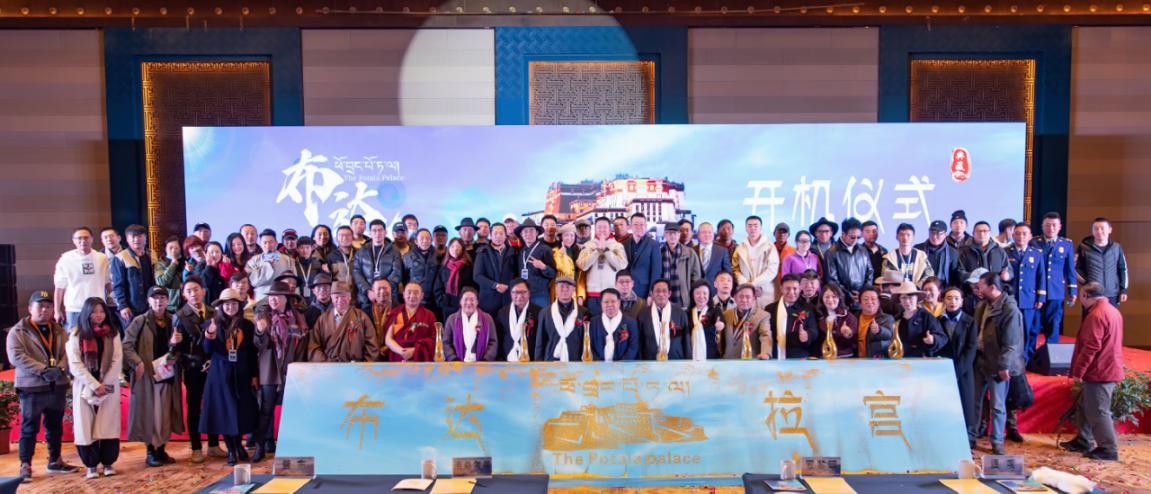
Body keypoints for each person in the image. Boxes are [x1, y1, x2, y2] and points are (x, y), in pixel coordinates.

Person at [8, 290, 78, 481]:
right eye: (40, 306)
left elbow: (68, 351)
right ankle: (25, 464)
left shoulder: (59, 329)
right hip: (32, 386)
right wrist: (43, 370)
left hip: (57, 384)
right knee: (29, 426)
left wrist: (61, 368)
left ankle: (55, 460)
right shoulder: (18, 331)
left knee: (55, 425)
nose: (45, 310)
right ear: (30, 308)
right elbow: (16, 356)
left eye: (48, 306)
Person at [1060, 282, 1124, 461]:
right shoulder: (1112, 311)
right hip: (1105, 367)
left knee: (1098, 410)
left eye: (1081, 294)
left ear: (1086, 296)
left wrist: (1079, 371)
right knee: (1085, 405)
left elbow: (1091, 347)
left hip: (1100, 371)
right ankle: (1083, 440)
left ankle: (1108, 449)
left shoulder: (1096, 315)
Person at [123, 286, 185, 467]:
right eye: (155, 298)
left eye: (162, 298)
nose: (159, 302)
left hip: (167, 373)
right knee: (150, 413)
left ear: (168, 300)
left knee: (165, 413)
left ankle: (161, 449)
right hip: (148, 375)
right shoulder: (140, 321)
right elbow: (126, 345)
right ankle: (151, 451)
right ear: (149, 301)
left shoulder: (174, 320)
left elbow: (180, 347)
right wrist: (138, 362)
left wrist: (175, 346)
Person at [201, 288, 258, 466]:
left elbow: (252, 352)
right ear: (221, 306)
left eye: (234, 304)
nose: (230, 307)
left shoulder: (247, 325)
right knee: (224, 413)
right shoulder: (213, 324)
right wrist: (209, 335)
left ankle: (239, 444)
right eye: (227, 304)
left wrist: (254, 374)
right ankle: (231, 449)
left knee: (240, 411)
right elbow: (207, 350)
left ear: (239, 306)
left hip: (241, 372)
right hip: (220, 374)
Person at [66, 297, 123, 479]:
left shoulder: (112, 333)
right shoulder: (76, 333)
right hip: (85, 385)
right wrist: (94, 385)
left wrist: (105, 383)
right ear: (86, 313)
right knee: (86, 425)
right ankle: (91, 465)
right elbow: (75, 364)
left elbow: (117, 360)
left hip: (108, 384)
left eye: (101, 311)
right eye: (94, 312)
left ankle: (108, 462)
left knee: (108, 424)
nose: (98, 315)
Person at [252, 282, 308, 461]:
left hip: (291, 371)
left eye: (277, 296)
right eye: (271, 296)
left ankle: (289, 445)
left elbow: (302, 345)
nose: (273, 299)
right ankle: (260, 446)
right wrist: (260, 332)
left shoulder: (297, 318)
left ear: (286, 298)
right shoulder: (263, 316)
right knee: (265, 410)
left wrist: (299, 368)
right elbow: (258, 345)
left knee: (291, 409)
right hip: (269, 370)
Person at [971, 272, 1024, 455]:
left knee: (997, 405)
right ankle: (971, 437)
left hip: (997, 364)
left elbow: (1011, 344)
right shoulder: (981, 306)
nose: (978, 289)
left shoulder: (1009, 309)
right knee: (975, 402)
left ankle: (997, 441)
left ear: (992, 288)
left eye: (981, 286)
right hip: (980, 360)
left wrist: (1004, 366)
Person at [172, 278, 223, 463]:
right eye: (189, 291)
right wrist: (173, 344)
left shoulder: (213, 312)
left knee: (213, 405)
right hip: (193, 368)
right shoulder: (180, 315)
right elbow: (177, 347)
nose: (193, 294)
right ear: (184, 295)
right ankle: (195, 447)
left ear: (203, 291)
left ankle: (214, 444)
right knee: (194, 408)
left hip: (213, 366)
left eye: (196, 289)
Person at [937, 287, 978, 445]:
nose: (952, 301)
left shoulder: (970, 322)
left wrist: (957, 371)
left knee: (966, 404)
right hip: (943, 371)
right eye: (948, 298)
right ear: (943, 300)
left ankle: (968, 439)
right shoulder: (938, 321)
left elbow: (971, 348)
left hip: (963, 370)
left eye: (956, 298)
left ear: (961, 301)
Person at [1005, 222, 1047, 363]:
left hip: (1029, 298)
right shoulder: (1006, 252)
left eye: (1024, 233)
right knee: (1011, 330)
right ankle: (1012, 359)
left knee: (1029, 329)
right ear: (1013, 235)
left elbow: (1041, 276)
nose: (1021, 236)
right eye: (1017, 233)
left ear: (1030, 236)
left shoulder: (1036, 253)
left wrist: (1041, 297)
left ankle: (1026, 358)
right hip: (1011, 298)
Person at [54, 227, 111, 329]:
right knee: (74, 337)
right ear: (73, 240)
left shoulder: (102, 258)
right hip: (75, 309)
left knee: (98, 336)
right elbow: (59, 288)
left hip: (97, 309)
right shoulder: (65, 259)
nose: (83, 241)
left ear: (92, 239)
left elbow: (108, 283)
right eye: (79, 238)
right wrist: (57, 310)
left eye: (86, 238)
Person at [307, 282, 379, 362]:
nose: (340, 300)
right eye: (336, 297)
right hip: (329, 366)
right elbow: (313, 347)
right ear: (331, 298)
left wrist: (363, 366)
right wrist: (326, 363)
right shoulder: (322, 319)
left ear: (350, 297)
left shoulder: (362, 317)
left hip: (355, 366)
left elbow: (372, 346)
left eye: (343, 296)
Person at [1034, 212, 1078, 344]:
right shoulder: (1034, 242)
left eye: (1054, 225)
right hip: (1035, 291)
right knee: (1033, 326)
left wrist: (1072, 291)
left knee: (1053, 325)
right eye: (1047, 225)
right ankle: (1029, 355)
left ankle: (1051, 353)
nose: (1051, 228)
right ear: (1042, 226)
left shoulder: (1066, 244)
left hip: (1056, 291)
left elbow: (1070, 270)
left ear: (1060, 227)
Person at [577, 217, 628, 315]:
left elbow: (622, 265)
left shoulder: (617, 246)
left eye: (605, 227)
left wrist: (606, 251)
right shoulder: (588, 245)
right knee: (594, 321)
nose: (602, 230)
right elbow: (582, 265)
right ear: (595, 229)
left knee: (611, 321)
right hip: (592, 293)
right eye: (599, 227)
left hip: (612, 292)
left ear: (610, 229)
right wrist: (597, 251)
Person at [535, 276, 591, 362]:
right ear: (556, 289)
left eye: (568, 286)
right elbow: (540, 342)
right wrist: (538, 364)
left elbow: (586, 341)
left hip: (576, 362)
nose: (565, 289)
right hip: (550, 362)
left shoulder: (584, 312)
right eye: (561, 286)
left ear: (574, 289)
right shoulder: (545, 313)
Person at [765, 274, 821, 359]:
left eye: (795, 288)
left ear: (800, 289)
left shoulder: (808, 308)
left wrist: (807, 335)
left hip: (799, 355)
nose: (791, 292)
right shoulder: (770, 309)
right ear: (781, 289)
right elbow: (766, 334)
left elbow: (814, 331)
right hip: (775, 356)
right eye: (787, 288)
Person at [1076, 217, 1128, 306]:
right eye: (1096, 229)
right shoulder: (1084, 247)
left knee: (1110, 315)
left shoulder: (1116, 248)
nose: (1099, 231)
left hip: (1112, 294)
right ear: (1092, 231)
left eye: (1102, 228)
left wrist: (1123, 290)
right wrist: (1088, 283)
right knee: (1091, 315)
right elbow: (1076, 269)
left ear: (1110, 230)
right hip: (1091, 295)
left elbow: (1123, 269)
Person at [110, 224, 155, 327]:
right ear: (127, 238)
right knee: (133, 334)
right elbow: (117, 285)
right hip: (131, 307)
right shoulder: (120, 257)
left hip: (150, 304)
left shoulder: (151, 254)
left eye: (139, 236)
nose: (136, 239)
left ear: (145, 237)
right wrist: (123, 306)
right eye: (133, 236)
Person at [382, 282, 440, 362]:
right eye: (409, 292)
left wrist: (414, 351)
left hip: (420, 359)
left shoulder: (429, 315)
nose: (412, 296)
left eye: (416, 293)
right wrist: (402, 352)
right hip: (398, 358)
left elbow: (434, 341)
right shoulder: (395, 313)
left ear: (422, 296)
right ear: (403, 294)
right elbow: (388, 339)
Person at [824, 218, 874, 309]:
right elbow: (832, 280)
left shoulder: (863, 250)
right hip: (841, 301)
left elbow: (870, 272)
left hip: (862, 300)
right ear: (843, 234)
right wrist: (848, 294)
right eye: (852, 237)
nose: (855, 240)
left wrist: (864, 292)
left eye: (858, 237)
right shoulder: (831, 252)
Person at [890, 281, 947, 358]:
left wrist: (933, 340)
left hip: (922, 360)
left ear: (916, 298)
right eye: (903, 298)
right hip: (901, 360)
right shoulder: (896, 319)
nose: (907, 301)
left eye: (910, 297)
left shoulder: (927, 317)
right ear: (899, 300)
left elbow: (942, 338)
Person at [734, 215, 781, 307]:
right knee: (747, 314)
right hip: (745, 290)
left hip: (765, 290)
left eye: (756, 226)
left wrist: (755, 284)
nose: (753, 228)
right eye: (750, 226)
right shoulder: (740, 248)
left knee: (766, 314)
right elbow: (735, 269)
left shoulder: (769, 246)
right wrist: (746, 284)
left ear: (761, 228)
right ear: (746, 228)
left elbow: (772, 269)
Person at [353, 219, 402, 308]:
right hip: (366, 298)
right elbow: (357, 273)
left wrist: (383, 291)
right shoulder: (361, 251)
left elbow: (397, 273)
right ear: (370, 233)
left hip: (389, 297)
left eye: (380, 230)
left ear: (385, 232)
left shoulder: (394, 251)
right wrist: (368, 291)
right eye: (374, 230)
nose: (377, 233)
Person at [440, 288, 498, 362]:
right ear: (460, 302)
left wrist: (486, 359)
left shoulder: (487, 319)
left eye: (472, 299)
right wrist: (453, 358)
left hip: (483, 364)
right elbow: (446, 342)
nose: (469, 302)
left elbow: (493, 342)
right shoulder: (452, 319)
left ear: (477, 302)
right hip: (457, 364)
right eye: (466, 299)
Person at [639, 279, 691, 360]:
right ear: (652, 294)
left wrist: (688, 361)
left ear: (669, 293)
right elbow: (640, 342)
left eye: (664, 291)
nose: (661, 294)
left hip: (676, 361)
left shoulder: (680, 313)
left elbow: (686, 341)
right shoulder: (643, 314)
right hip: (650, 362)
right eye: (657, 291)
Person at [474, 223, 517, 315]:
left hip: (508, 298)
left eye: (501, 233)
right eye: (495, 233)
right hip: (488, 299)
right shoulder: (483, 252)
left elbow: (517, 274)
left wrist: (510, 286)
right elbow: (477, 276)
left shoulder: (513, 252)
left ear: (505, 235)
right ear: (490, 235)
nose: (498, 236)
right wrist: (495, 285)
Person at [721, 283, 772, 359]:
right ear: (735, 298)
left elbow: (765, 335)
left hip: (750, 361)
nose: (744, 300)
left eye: (748, 297)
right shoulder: (726, 315)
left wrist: (765, 353)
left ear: (754, 298)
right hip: (727, 361)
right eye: (741, 297)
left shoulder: (762, 315)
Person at [589, 288, 640, 361]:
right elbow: (590, 347)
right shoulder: (593, 322)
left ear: (619, 302)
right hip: (598, 366)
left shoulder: (631, 323)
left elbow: (633, 348)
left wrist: (620, 365)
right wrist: (600, 364)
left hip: (624, 366)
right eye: (606, 302)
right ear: (601, 303)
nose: (610, 305)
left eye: (613, 301)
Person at [496, 279, 541, 361]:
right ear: (510, 294)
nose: (519, 296)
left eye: (523, 292)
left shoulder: (538, 312)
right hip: (506, 360)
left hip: (531, 360)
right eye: (516, 292)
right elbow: (499, 338)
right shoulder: (502, 313)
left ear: (529, 293)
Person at [515, 219, 556, 309]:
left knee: (542, 317)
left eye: (531, 230)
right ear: (521, 234)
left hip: (540, 295)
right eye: (525, 231)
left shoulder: (545, 249)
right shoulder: (521, 251)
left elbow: (553, 273)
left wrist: (543, 267)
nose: (528, 234)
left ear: (537, 233)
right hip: (524, 295)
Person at [660, 223, 703, 309]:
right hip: (663, 297)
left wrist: (692, 295)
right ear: (665, 235)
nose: (672, 236)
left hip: (683, 299)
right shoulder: (658, 252)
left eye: (675, 233)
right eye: (669, 233)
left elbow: (696, 277)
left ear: (679, 235)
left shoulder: (690, 253)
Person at [958, 221, 1011, 289]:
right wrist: (974, 280)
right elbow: (959, 272)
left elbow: (1009, 270)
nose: (982, 233)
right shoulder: (963, 251)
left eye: (985, 231)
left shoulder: (1000, 251)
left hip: (994, 290)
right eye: (978, 231)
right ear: (973, 234)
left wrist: (1007, 275)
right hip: (972, 290)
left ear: (990, 233)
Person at [246, 229, 295, 301]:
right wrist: (268, 266)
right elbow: (253, 282)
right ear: (260, 244)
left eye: (271, 242)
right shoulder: (253, 261)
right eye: (265, 242)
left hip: (282, 298)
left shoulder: (288, 260)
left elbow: (294, 282)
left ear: (276, 243)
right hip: (261, 298)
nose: (268, 245)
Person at [623, 213, 662, 299]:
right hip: (625, 291)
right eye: (635, 224)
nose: (639, 227)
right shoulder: (624, 244)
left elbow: (656, 272)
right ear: (630, 226)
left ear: (646, 226)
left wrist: (651, 294)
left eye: (642, 224)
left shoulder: (654, 245)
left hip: (644, 291)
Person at [435, 238, 475, 320]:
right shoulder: (444, 267)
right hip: (447, 305)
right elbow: (437, 287)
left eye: (458, 246)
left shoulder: (468, 266)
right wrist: (443, 301)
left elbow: (473, 286)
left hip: (464, 305)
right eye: (452, 246)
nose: (455, 249)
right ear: (448, 249)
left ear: (462, 249)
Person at [819, 283, 859, 358]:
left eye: (834, 296)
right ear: (822, 299)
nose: (830, 300)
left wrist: (848, 334)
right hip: (824, 357)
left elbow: (856, 342)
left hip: (845, 357)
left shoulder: (849, 317)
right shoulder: (819, 317)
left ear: (839, 298)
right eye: (827, 297)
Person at [685, 280, 723, 361]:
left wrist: (720, 325)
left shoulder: (715, 310)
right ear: (692, 295)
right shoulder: (687, 313)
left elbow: (721, 322)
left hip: (711, 356)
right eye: (698, 293)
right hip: (691, 355)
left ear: (709, 295)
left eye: (705, 293)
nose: (701, 296)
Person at [404, 229, 441, 310]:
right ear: (416, 241)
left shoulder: (438, 256)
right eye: (422, 238)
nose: (425, 241)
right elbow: (404, 278)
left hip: (433, 299)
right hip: (414, 298)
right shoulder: (407, 257)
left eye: (428, 238)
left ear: (431, 240)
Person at [917, 220, 961, 287]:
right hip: (921, 288)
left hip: (944, 290)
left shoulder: (952, 253)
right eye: (932, 233)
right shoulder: (918, 249)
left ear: (945, 234)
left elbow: (955, 278)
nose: (934, 236)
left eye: (938, 233)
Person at [856, 288, 895, 358]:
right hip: (854, 359)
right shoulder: (854, 317)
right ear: (860, 303)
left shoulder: (887, 318)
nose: (869, 302)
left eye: (873, 299)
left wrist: (879, 330)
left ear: (878, 302)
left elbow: (889, 334)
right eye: (865, 299)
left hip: (876, 359)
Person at [552, 224, 585, 305]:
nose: (569, 238)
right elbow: (561, 269)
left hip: (575, 294)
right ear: (561, 237)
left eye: (572, 235)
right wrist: (561, 255)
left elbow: (581, 276)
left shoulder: (579, 251)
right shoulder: (555, 252)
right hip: (560, 293)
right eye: (566, 235)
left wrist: (581, 295)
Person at [154, 235, 185, 313]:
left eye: (176, 248)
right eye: (170, 248)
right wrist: (173, 265)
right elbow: (161, 282)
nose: (173, 250)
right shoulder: (161, 263)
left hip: (186, 302)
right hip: (170, 304)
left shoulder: (186, 262)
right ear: (165, 249)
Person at [293, 236, 325, 301]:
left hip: (315, 300)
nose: (305, 250)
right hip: (298, 299)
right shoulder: (293, 264)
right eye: (301, 248)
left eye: (307, 247)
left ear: (312, 248)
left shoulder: (318, 264)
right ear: (297, 249)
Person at [326, 226, 358, 291]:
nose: (345, 238)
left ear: (353, 237)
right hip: (339, 293)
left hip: (357, 292)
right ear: (337, 238)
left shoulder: (360, 254)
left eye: (348, 235)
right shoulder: (331, 256)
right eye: (341, 235)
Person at [367, 278, 394, 343]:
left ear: (390, 289)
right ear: (373, 291)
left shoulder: (401, 309)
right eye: (379, 289)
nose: (382, 291)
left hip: (394, 347)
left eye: (385, 288)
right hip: (372, 347)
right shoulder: (364, 312)